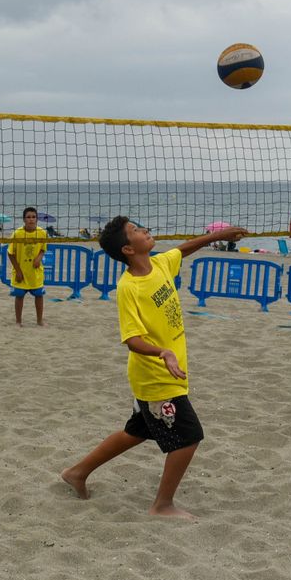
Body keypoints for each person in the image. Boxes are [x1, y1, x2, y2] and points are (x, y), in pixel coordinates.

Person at [60, 217, 248, 519]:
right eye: (136, 231)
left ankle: (77, 472)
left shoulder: (159, 264)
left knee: (137, 431)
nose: (145, 231)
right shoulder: (129, 287)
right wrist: (162, 352)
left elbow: (183, 249)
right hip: (155, 375)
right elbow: (132, 339)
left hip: (167, 370)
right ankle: (162, 505)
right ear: (127, 249)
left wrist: (220, 235)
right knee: (189, 437)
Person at [8, 206, 49, 326]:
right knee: (19, 296)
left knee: (39, 295)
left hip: (35, 272)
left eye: (33, 217)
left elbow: (43, 249)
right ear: (24, 220)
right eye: (28, 217)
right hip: (21, 272)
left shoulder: (42, 233)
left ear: (37, 219)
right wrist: (18, 271)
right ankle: (18, 321)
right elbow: (10, 253)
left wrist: (39, 258)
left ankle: (39, 320)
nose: (31, 219)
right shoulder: (17, 233)